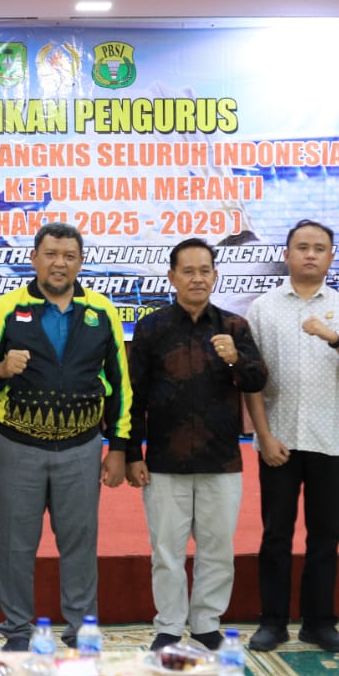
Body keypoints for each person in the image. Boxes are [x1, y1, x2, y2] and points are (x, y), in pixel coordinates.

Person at [0, 222, 131, 652]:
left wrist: (119, 447)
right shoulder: (6, 308)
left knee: (80, 543)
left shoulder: (102, 311)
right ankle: (17, 632)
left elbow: (120, 384)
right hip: (17, 447)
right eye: (51, 254)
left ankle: (81, 630)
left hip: (81, 448)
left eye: (69, 256)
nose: (60, 263)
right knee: (16, 544)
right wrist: (1, 369)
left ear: (80, 262)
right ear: (34, 258)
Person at [126, 237, 267, 651]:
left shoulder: (234, 327)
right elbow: (133, 396)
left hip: (220, 459)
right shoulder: (151, 328)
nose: (197, 278)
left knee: (217, 548)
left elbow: (257, 380)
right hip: (164, 459)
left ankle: (206, 622)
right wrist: (132, 453)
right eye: (188, 271)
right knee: (166, 550)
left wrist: (235, 358)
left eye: (205, 271)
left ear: (215, 276)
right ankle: (169, 626)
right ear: (172, 277)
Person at [243, 220, 339, 654]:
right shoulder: (262, 308)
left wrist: (333, 337)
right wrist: (263, 436)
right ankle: (273, 622)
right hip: (278, 441)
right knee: (275, 536)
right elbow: (252, 380)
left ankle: (319, 623)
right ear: (287, 254)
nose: (311, 254)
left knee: (324, 536)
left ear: (332, 256)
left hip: (330, 438)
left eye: (320, 247)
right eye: (302, 247)